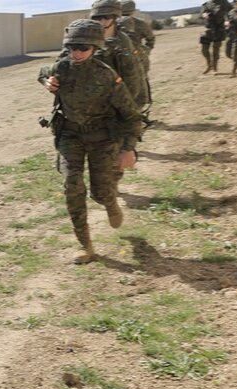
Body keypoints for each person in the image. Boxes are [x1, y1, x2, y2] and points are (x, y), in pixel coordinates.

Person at [38, 19, 143, 264]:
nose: (77, 53)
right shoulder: (62, 67)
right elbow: (43, 71)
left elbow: (131, 116)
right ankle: (86, 246)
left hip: (102, 139)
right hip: (70, 136)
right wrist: (46, 81)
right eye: (72, 47)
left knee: (100, 192)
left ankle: (110, 204)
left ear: (95, 48)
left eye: (83, 48)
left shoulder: (108, 76)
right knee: (71, 186)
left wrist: (128, 148)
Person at [87, 0, 148, 109]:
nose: (102, 21)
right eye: (97, 18)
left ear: (115, 17)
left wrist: (136, 103)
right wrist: (47, 79)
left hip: (123, 100)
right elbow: (62, 62)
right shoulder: (84, 38)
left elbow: (135, 73)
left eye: (106, 17)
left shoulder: (124, 40)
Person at [118, 0, 155, 74]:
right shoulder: (141, 23)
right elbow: (151, 39)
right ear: (133, 11)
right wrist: (146, 51)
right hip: (137, 57)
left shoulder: (112, 23)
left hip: (120, 59)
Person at [201, 0, 233, 74]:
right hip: (209, 29)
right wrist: (204, 14)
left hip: (219, 29)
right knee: (204, 49)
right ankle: (209, 65)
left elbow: (232, 12)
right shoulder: (207, 4)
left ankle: (215, 68)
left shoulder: (224, 2)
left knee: (216, 50)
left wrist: (228, 20)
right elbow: (201, 13)